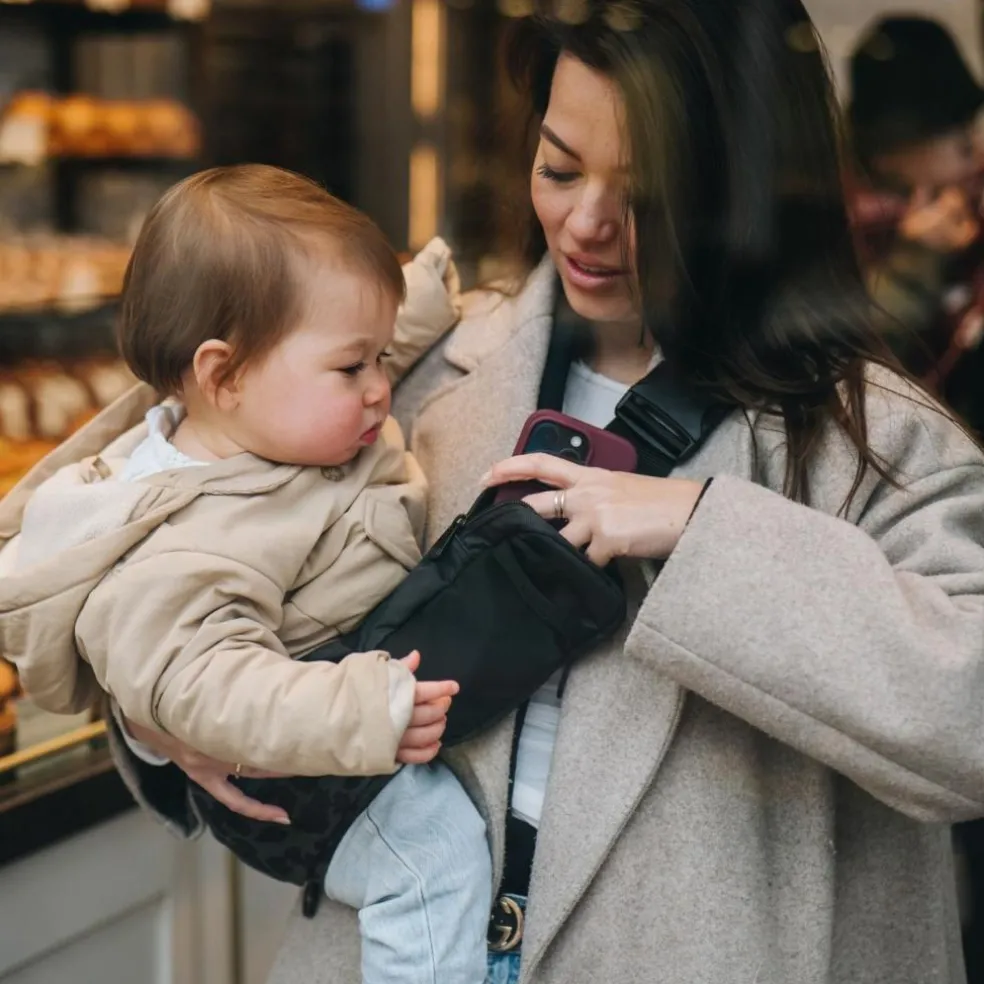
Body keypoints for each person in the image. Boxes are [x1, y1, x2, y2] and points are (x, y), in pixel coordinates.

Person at [73, 1, 984, 982]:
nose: (585, 224)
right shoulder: (405, 372)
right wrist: (168, 718)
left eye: (649, 193)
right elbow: (175, 539)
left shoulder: (877, 440)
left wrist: (700, 527)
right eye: (558, 167)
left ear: (751, 192)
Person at [0, 165, 494, 984]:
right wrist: (361, 709)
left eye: (383, 355)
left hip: (319, 717)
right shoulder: (176, 545)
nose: (380, 387)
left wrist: (418, 305)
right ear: (222, 375)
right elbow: (210, 689)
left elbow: (320, 349)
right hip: (293, 770)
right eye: (354, 368)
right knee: (434, 858)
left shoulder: (261, 418)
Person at [848, 15, 984, 431]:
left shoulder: (967, 195)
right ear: (886, 150)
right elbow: (858, 363)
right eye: (944, 130)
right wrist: (916, 262)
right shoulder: (842, 220)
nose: (971, 146)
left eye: (969, 121)